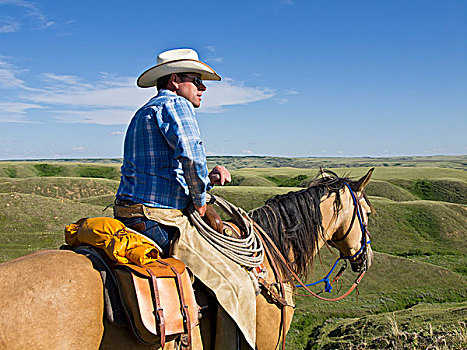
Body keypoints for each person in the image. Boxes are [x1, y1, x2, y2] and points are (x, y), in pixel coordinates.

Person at [114, 48, 231, 257]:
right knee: (228, 277)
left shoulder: (144, 111)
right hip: (157, 217)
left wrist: (207, 179)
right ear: (175, 80)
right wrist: (200, 200)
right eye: (196, 80)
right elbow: (192, 155)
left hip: (128, 213)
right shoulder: (176, 103)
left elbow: (161, 171)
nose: (203, 87)